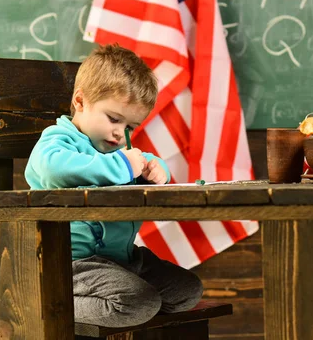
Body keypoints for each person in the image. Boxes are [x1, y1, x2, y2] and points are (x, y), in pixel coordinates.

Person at [24, 44, 203, 327]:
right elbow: (52, 167)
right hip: (72, 265)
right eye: (114, 119)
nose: (121, 133)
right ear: (80, 102)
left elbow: (143, 160)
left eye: (131, 126)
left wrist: (157, 170)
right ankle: (44, 299)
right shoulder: (58, 141)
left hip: (124, 260)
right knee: (137, 303)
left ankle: (126, 300)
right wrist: (123, 166)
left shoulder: (117, 149)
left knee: (188, 291)